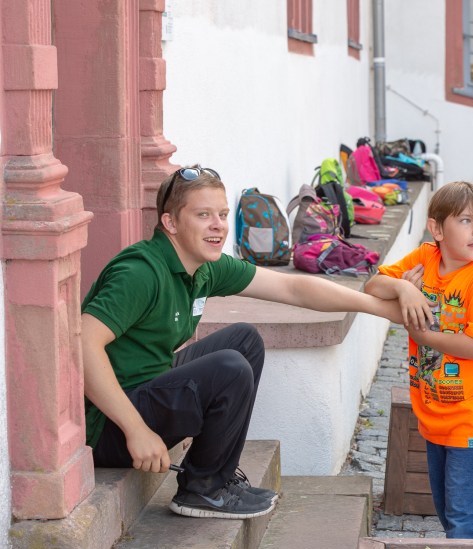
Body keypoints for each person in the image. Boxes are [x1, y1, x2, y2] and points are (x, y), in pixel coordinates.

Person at [82, 165, 403, 520]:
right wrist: (136, 430)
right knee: (229, 368)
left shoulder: (202, 267)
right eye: (203, 215)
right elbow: (83, 346)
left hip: (146, 389)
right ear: (170, 223)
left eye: (222, 214)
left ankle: (217, 476)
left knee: (244, 340)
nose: (218, 225)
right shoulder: (141, 273)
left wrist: (381, 308)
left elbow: (292, 288)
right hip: (107, 427)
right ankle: (202, 489)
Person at [365, 181, 473, 539]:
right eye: (466, 220)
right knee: (453, 515)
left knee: (466, 523)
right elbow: (373, 286)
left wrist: (423, 336)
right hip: (435, 415)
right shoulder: (426, 258)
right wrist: (404, 288)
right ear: (437, 229)